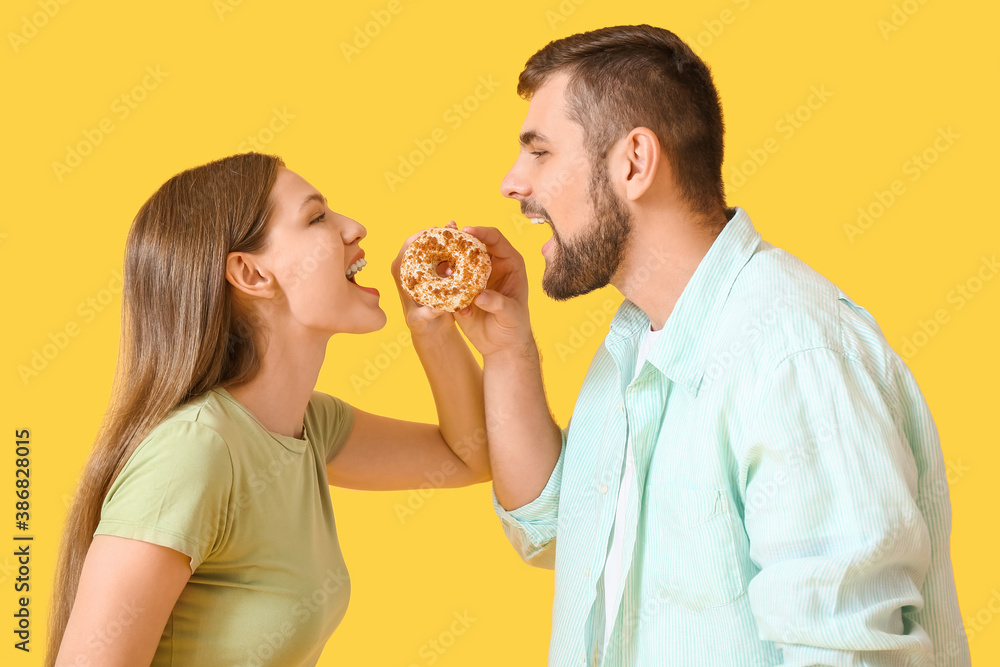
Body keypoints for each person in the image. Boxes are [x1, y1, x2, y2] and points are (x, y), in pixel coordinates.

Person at [452, 24, 971, 666]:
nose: (512, 183)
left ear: (634, 162)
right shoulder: (637, 339)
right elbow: (556, 534)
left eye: (540, 153)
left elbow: (850, 655)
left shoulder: (792, 352)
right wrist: (506, 352)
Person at [47, 152, 490, 666]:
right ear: (251, 273)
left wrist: (432, 328)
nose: (355, 228)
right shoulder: (195, 450)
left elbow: (468, 457)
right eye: (317, 217)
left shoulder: (308, 428)